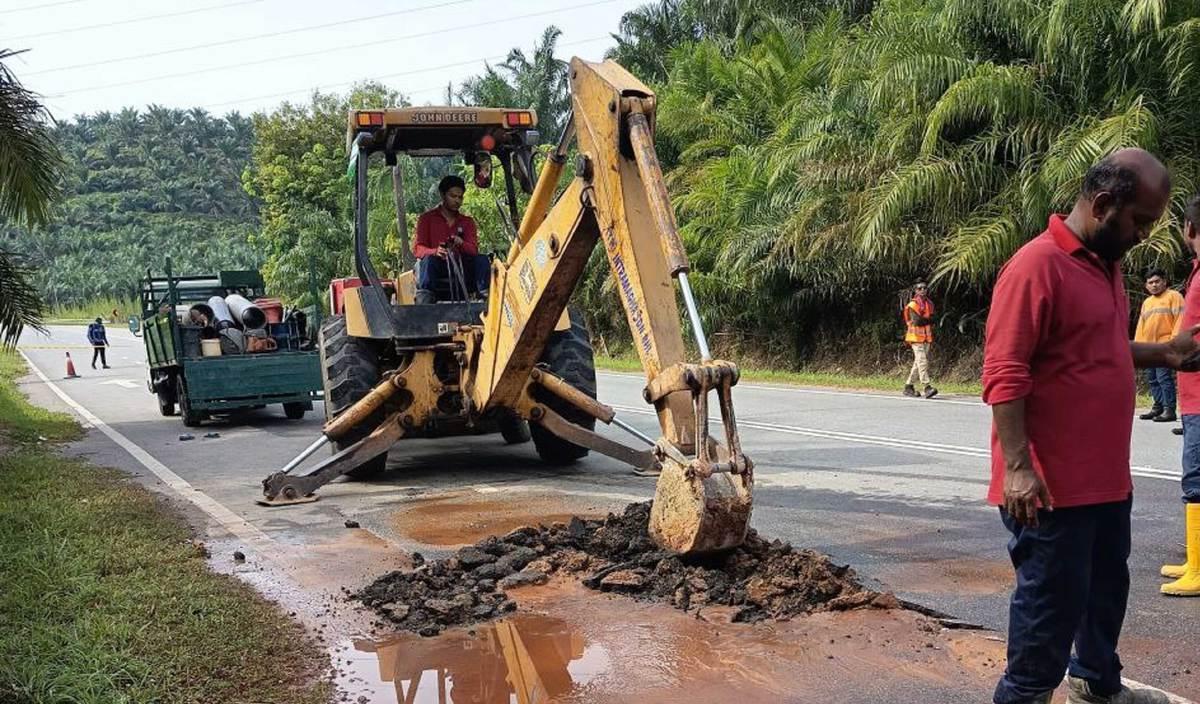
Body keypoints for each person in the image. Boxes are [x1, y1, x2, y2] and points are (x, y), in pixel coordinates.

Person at [982, 149, 1197, 704]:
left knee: (1105, 596)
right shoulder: (1036, 266)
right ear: (1103, 205)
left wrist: (1165, 355)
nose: (1143, 236)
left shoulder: (1107, 265)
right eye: (1139, 222)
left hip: (1106, 481)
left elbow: (1098, 350)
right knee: (1046, 616)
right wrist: (1021, 468)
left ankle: (1096, 684)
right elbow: (1004, 372)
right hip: (1050, 491)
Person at [1161, 195, 1200, 597]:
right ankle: (1195, 558)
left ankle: (1199, 569)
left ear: (1188, 229)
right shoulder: (1196, 273)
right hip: (1191, 394)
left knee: (1197, 479)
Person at [413, 175, 490, 303]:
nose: (457, 201)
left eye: (460, 197)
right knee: (428, 262)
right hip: (438, 266)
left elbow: (473, 249)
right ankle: (425, 303)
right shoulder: (426, 219)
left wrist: (461, 243)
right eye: (453, 196)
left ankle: (485, 299)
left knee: (482, 260)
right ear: (443, 195)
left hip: (461, 267)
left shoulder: (467, 222)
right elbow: (418, 249)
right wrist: (435, 251)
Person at [1135, 267, 1184, 422]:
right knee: (1153, 379)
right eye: (1150, 282)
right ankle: (1158, 407)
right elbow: (1141, 325)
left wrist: (1173, 342)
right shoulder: (1147, 302)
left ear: (1164, 282)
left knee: (1164, 378)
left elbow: (1180, 319)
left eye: (1157, 281)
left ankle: (1170, 409)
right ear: (1146, 285)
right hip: (1149, 348)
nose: (1154, 285)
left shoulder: (1174, 296)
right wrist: (1139, 347)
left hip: (1165, 347)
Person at [902, 282, 938, 398]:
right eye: (920, 288)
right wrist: (928, 320)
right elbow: (917, 321)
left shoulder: (929, 303)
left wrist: (926, 319)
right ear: (915, 291)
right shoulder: (913, 305)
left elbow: (933, 318)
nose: (923, 290)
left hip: (926, 338)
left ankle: (908, 387)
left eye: (924, 288)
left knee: (918, 363)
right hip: (915, 338)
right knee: (922, 362)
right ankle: (927, 387)